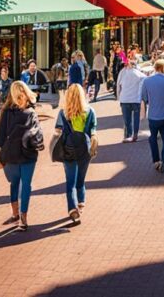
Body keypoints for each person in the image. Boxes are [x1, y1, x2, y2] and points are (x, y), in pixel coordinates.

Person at [0, 81, 40, 231]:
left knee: (14, 184)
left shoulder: (6, 112)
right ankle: (23, 217)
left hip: (11, 154)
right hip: (28, 153)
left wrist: (1, 156)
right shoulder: (31, 112)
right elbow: (37, 134)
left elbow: (1, 137)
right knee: (26, 185)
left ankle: (16, 213)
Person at [54, 84, 97, 224]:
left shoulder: (63, 112)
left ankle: (73, 209)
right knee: (81, 180)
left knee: (70, 182)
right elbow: (93, 130)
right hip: (85, 149)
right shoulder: (90, 111)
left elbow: (58, 131)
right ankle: (81, 202)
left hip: (69, 149)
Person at [116, 55, 146, 142]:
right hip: (136, 99)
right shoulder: (140, 74)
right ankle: (135, 134)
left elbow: (118, 85)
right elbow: (145, 83)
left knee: (127, 120)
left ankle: (129, 135)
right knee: (136, 118)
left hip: (125, 99)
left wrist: (119, 97)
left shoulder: (122, 72)